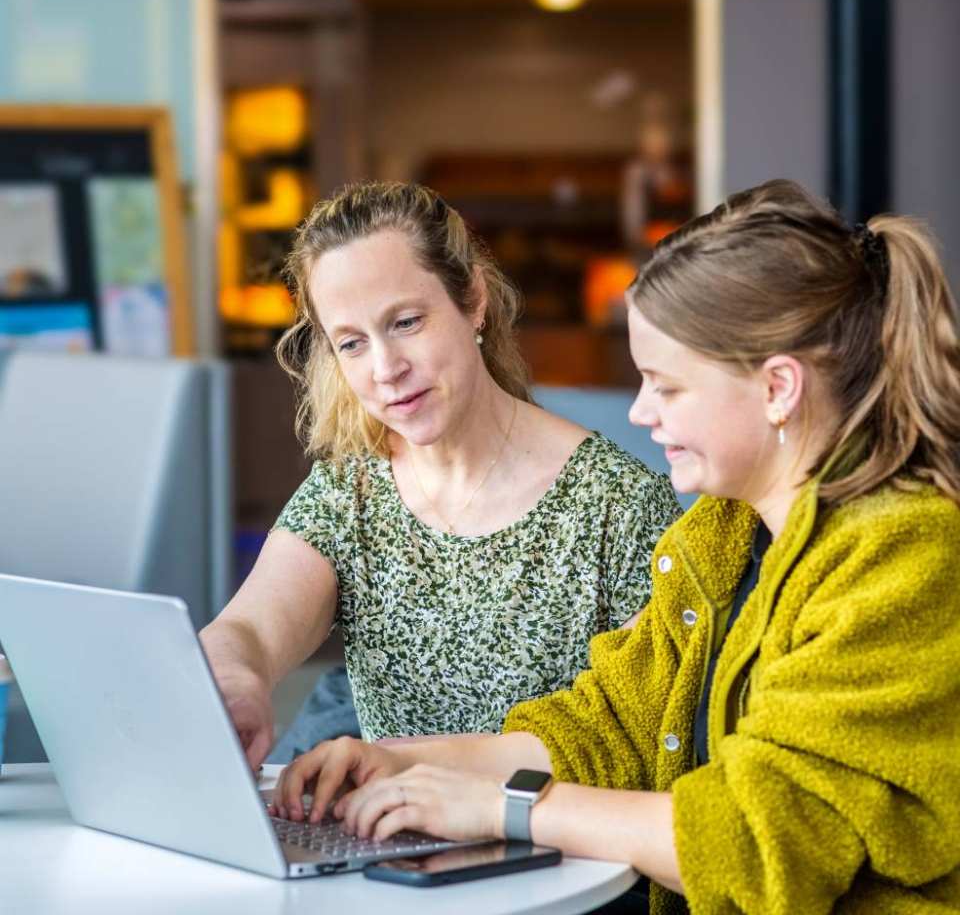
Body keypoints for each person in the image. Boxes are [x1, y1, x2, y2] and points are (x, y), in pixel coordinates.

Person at [269, 180, 960, 914]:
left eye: (666, 387)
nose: (639, 413)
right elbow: (607, 724)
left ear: (778, 389)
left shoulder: (903, 552)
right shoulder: (720, 534)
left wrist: (502, 808)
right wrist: (402, 762)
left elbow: (762, 839)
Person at [200, 181, 681, 770]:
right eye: (351, 343)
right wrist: (233, 674)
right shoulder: (350, 490)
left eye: (405, 322)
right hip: (387, 851)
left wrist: (419, 769)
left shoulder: (620, 504)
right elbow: (251, 624)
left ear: (473, 299)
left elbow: (635, 738)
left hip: (564, 854)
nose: (386, 369)